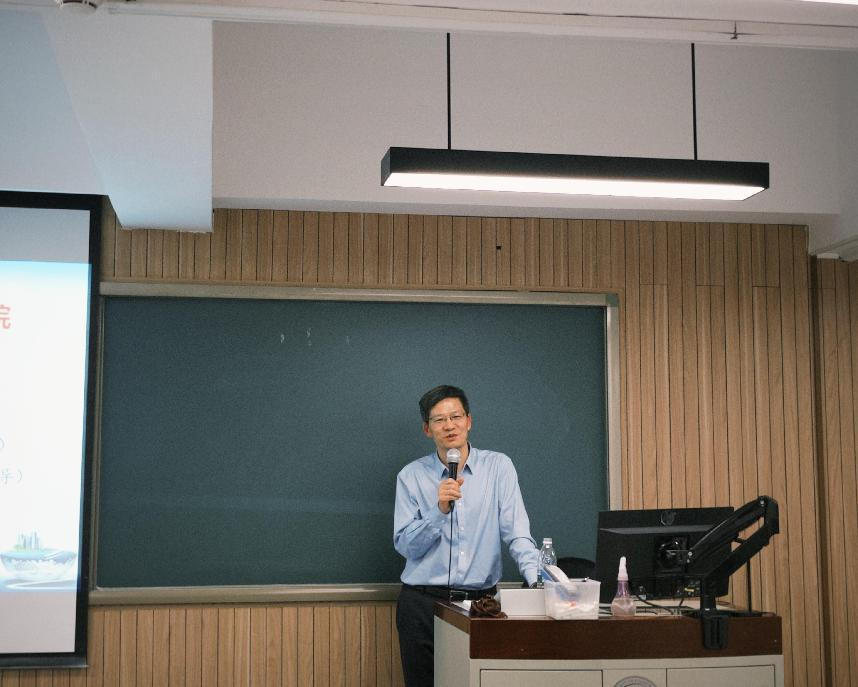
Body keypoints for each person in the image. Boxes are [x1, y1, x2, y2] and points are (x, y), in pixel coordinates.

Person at [393, 384, 539, 687]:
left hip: (481, 605)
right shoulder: (411, 476)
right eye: (439, 420)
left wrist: (539, 581)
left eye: (456, 417)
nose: (449, 426)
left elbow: (518, 534)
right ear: (427, 429)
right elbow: (406, 546)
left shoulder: (498, 467)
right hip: (422, 605)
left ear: (469, 421)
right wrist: (438, 511)